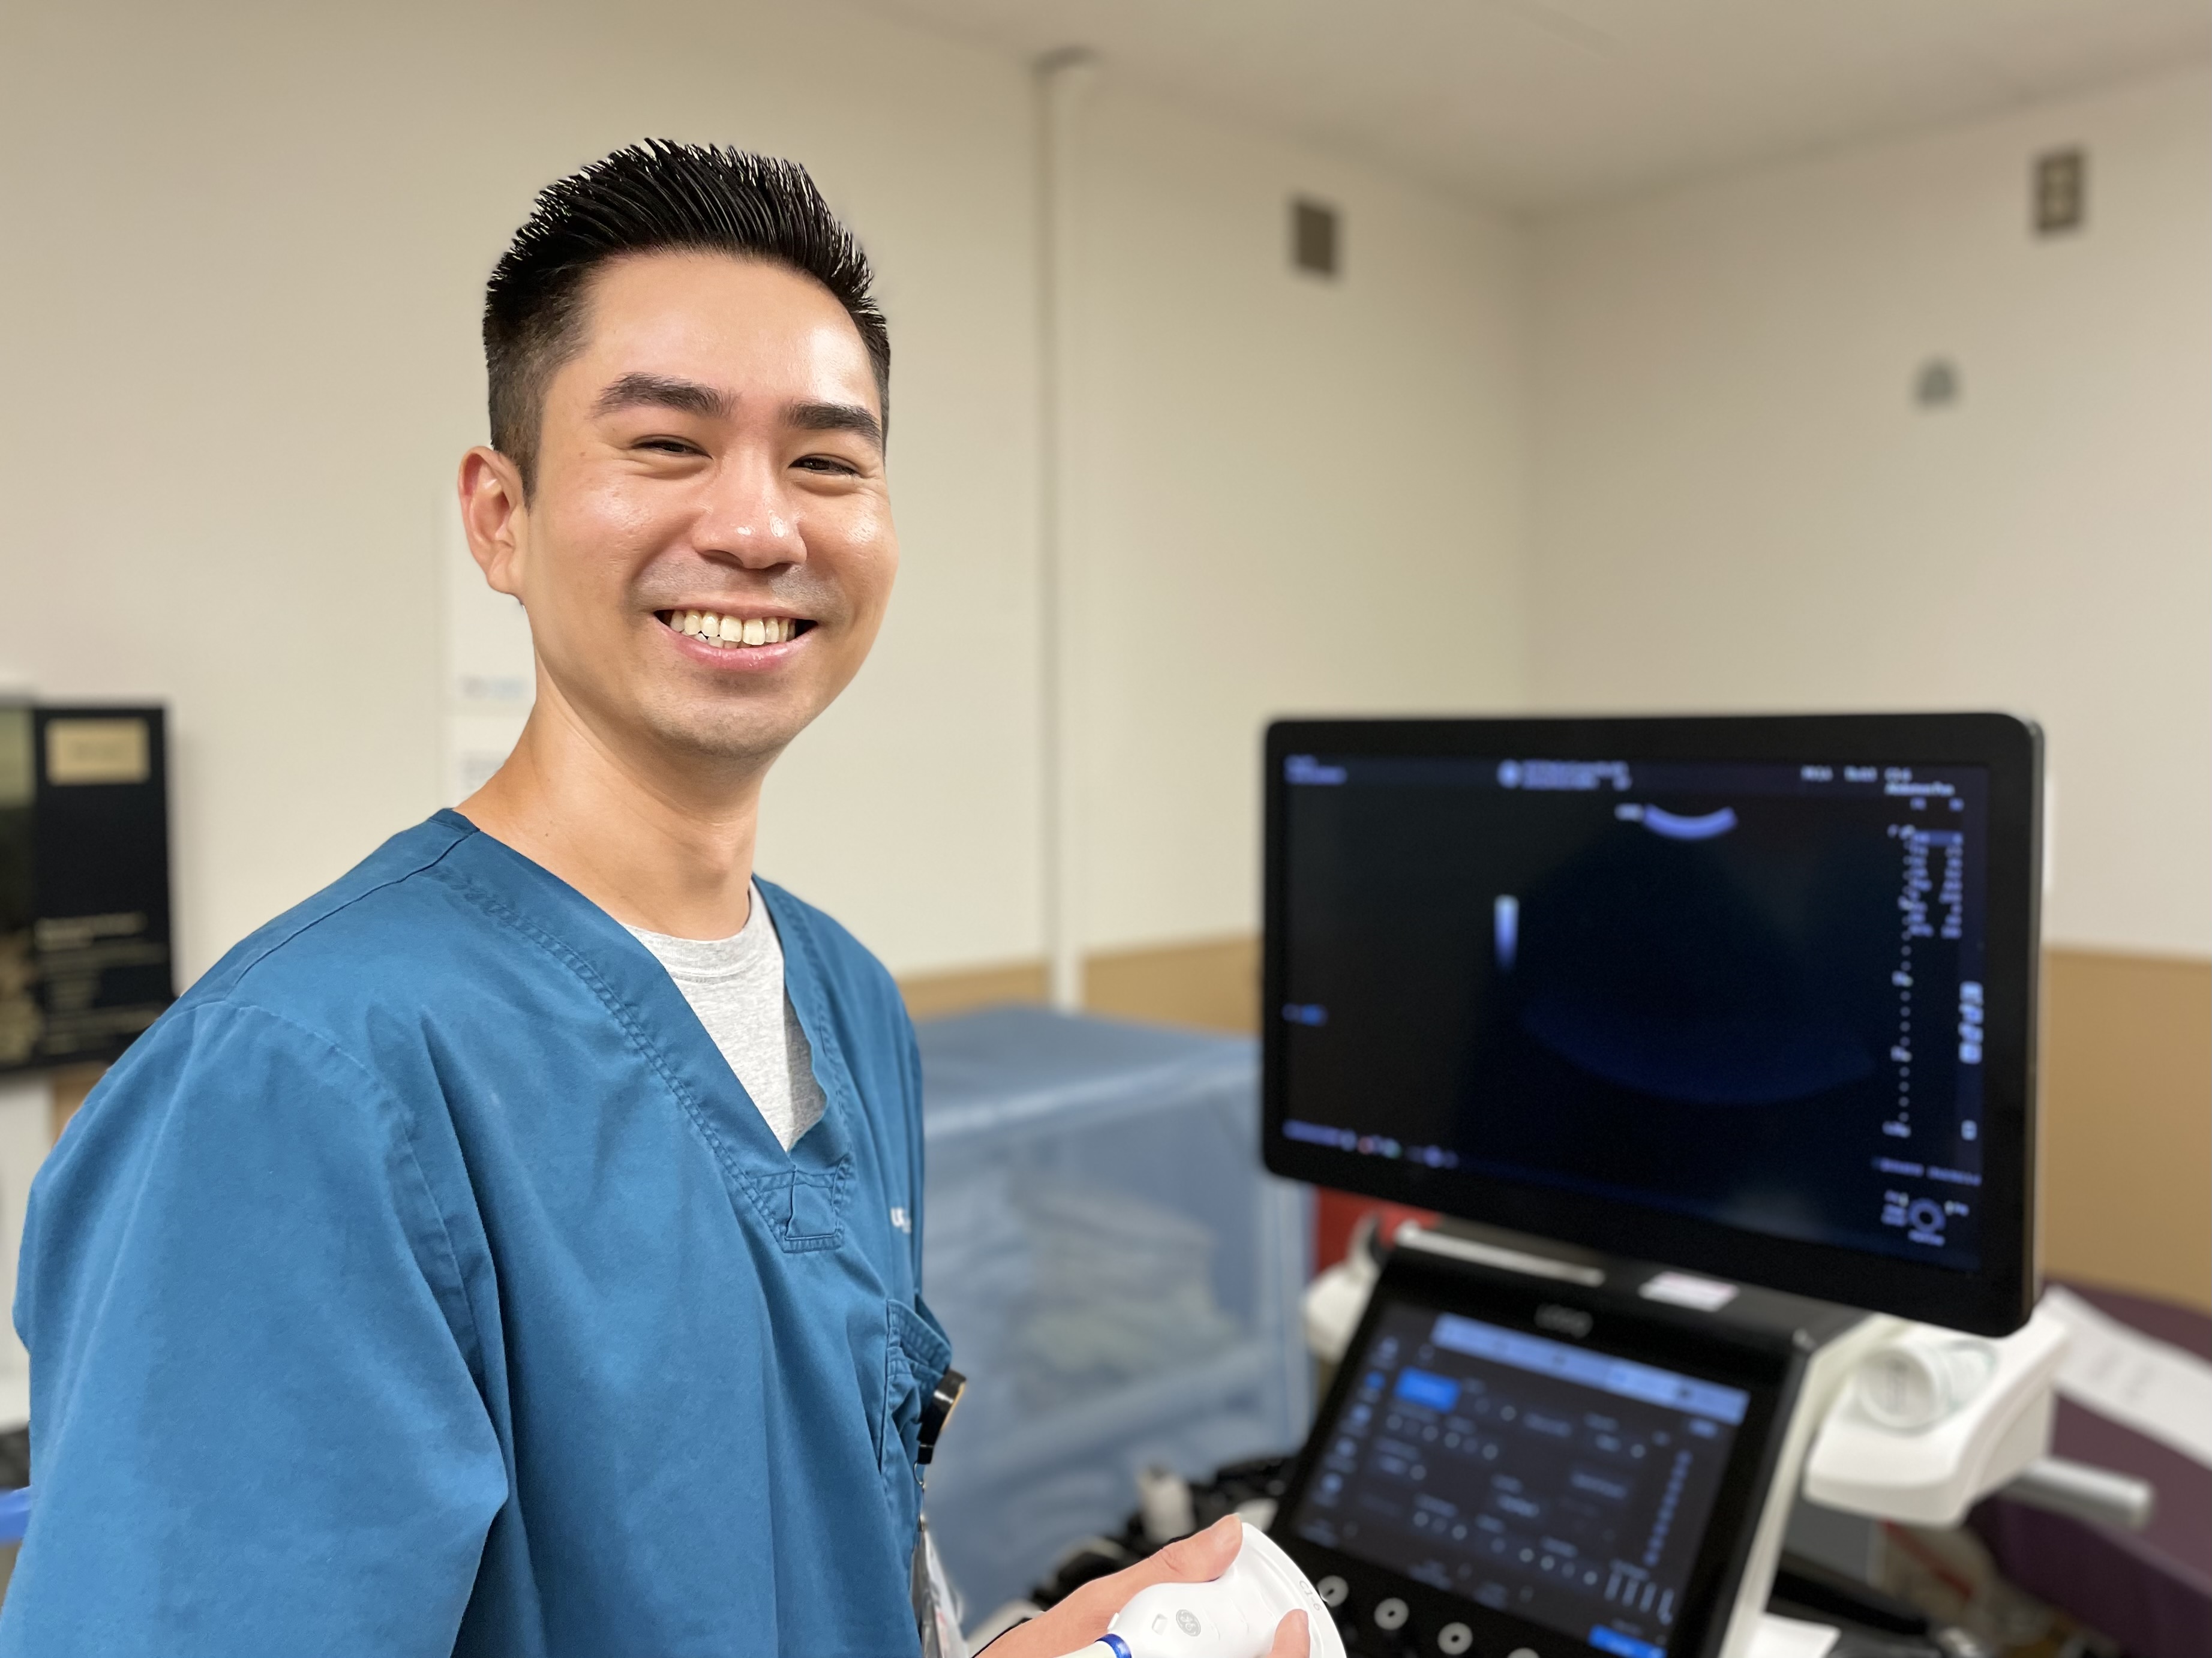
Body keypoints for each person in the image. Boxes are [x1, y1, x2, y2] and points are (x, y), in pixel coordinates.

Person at [0, 142, 1307, 1658]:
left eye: (828, 460)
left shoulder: (845, 998)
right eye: (669, 445)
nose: (761, 528)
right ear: (499, 515)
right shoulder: (298, 1085)